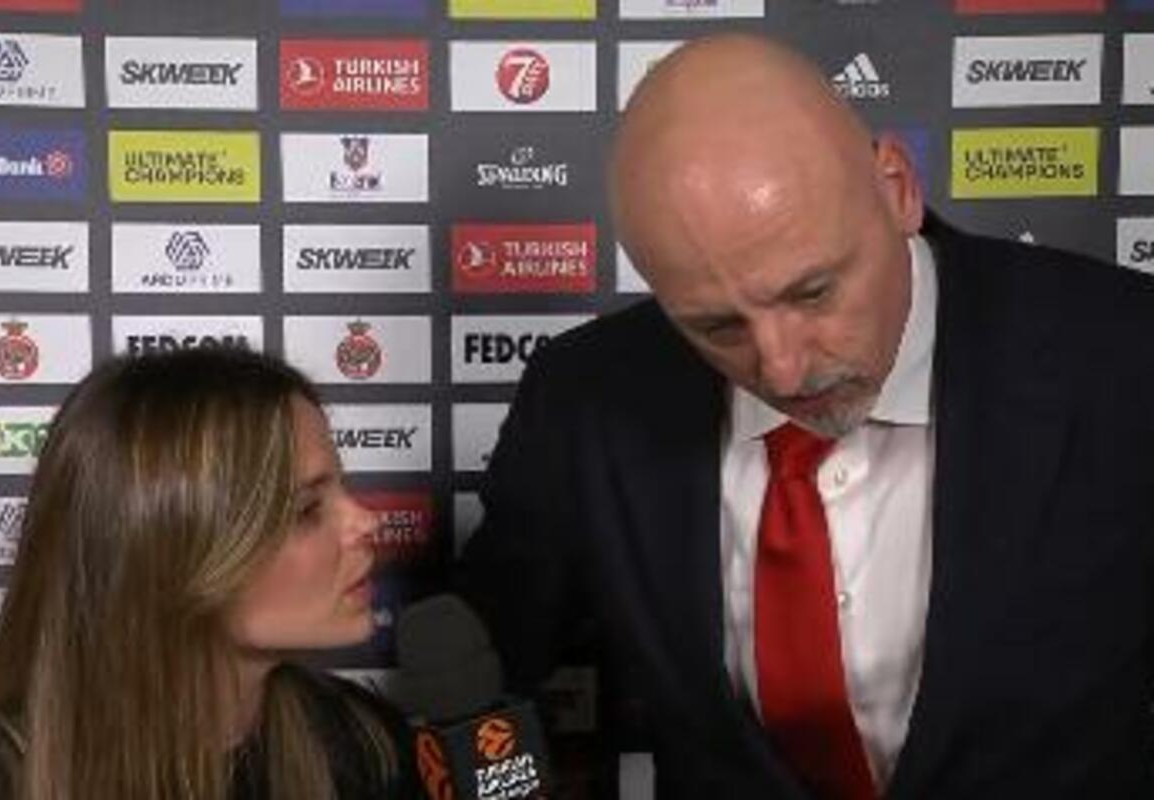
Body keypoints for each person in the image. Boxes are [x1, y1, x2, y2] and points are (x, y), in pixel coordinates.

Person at [458, 33, 1154, 798]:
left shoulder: (1124, 354)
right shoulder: (585, 400)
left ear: (896, 188)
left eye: (814, 292)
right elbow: (476, 670)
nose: (783, 370)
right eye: (717, 327)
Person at [0, 348, 420, 799]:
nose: (367, 521)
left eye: (342, 487)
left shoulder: (364, 745)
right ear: (172, 554)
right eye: (307, 510)